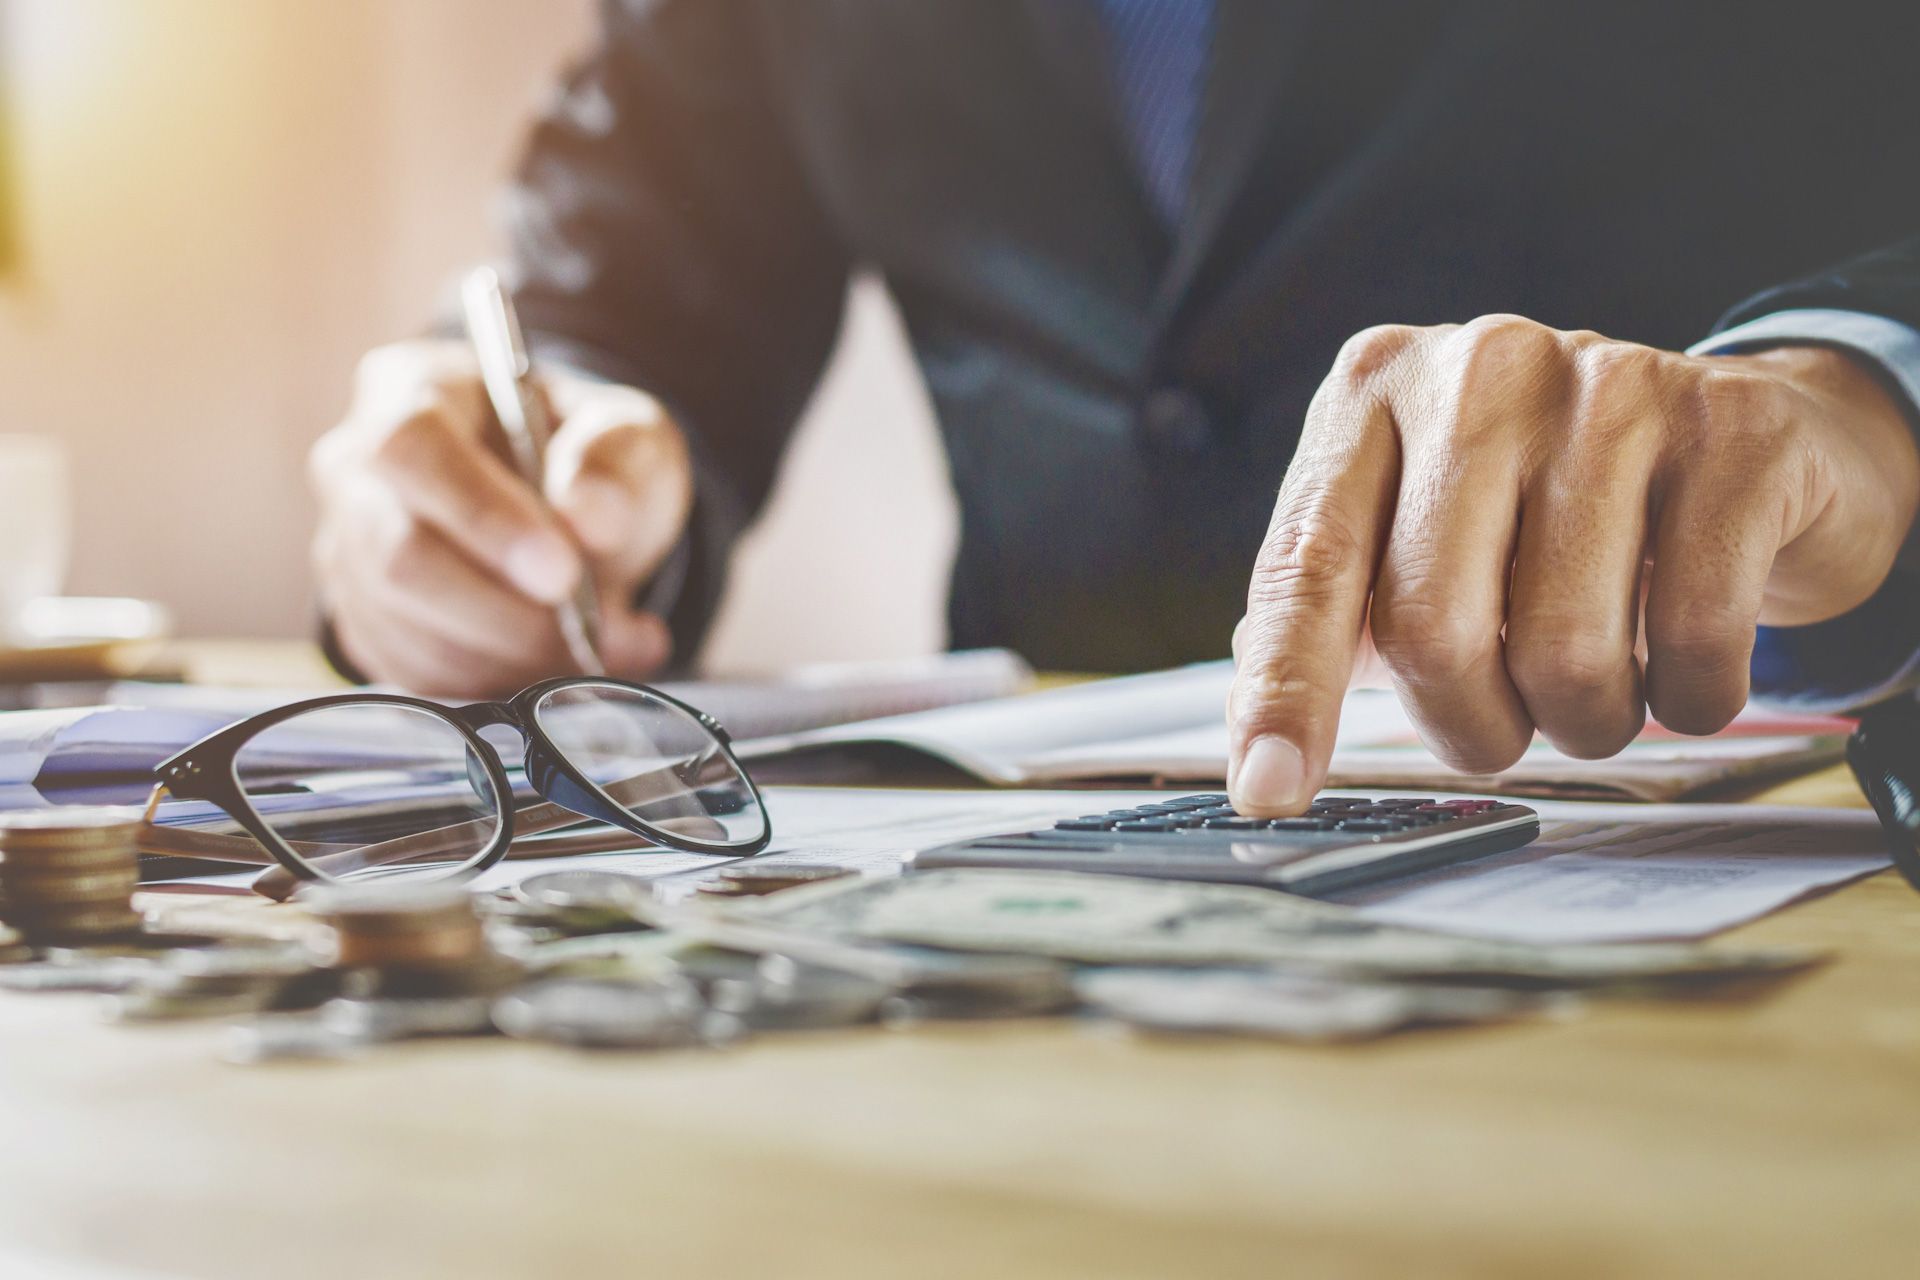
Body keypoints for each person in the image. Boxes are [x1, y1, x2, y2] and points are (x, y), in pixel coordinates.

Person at [308, 1, 1920, 817]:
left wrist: (1859, 392)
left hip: (1785, 871)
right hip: (993, 947)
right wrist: (519, 473)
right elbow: (623, 288)